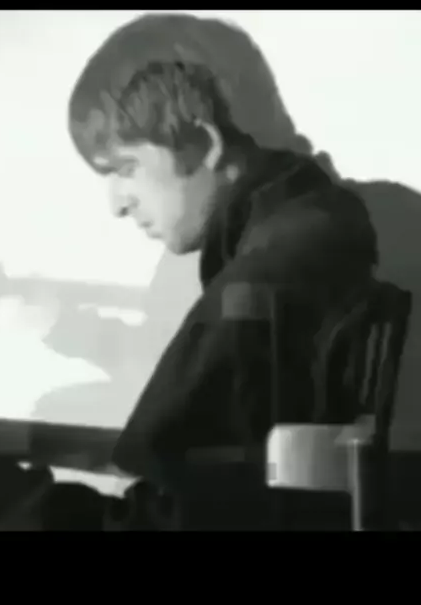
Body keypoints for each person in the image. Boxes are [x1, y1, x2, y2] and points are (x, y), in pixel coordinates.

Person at [68, 48, 378, 527]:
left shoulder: (260, 285)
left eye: (126, 168)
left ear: (204, 143)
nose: (116, 205)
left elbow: (163, 523)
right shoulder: (329, 226)